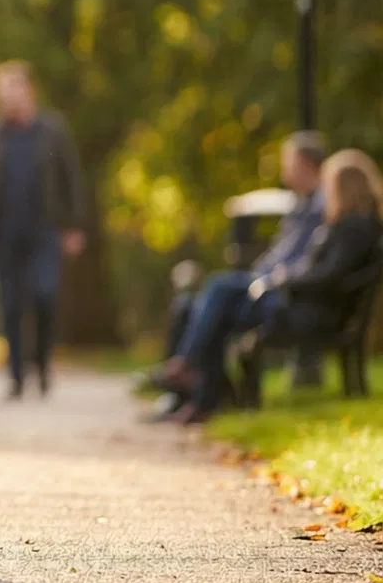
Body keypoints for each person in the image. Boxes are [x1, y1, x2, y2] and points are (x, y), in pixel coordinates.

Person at [169, 149, 383, 421]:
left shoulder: (352, 229)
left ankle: (197, 385)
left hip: (308, 313)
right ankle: (201, 396)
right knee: (218, 301)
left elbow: (329, 276)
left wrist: (285, 279)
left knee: (220, 295)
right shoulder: (354, 227)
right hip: (304, 306)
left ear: (344, 187)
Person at [151, 131, 327, 412]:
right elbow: (280, 255)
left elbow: (306, 262)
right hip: (269, 286)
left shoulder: (320, 208)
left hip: (281, 294)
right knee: (190, 305)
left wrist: (269, 277)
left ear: (306, 163)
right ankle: (192, 399)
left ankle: (187, 370)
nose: (284, 171)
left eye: (288, 163)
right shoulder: (301, 205)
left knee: (219, 289)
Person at [0, 61, 89, 400]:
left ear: (28, 91)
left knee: (45, 295)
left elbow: (71, 178)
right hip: (4, 233)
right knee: (11, 305)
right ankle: (17, 376)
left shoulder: (52, 130)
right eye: (2, 94)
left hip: (45, 230)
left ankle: (44, 365)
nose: (9, 100)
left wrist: (74, 225)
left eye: (14, 91)